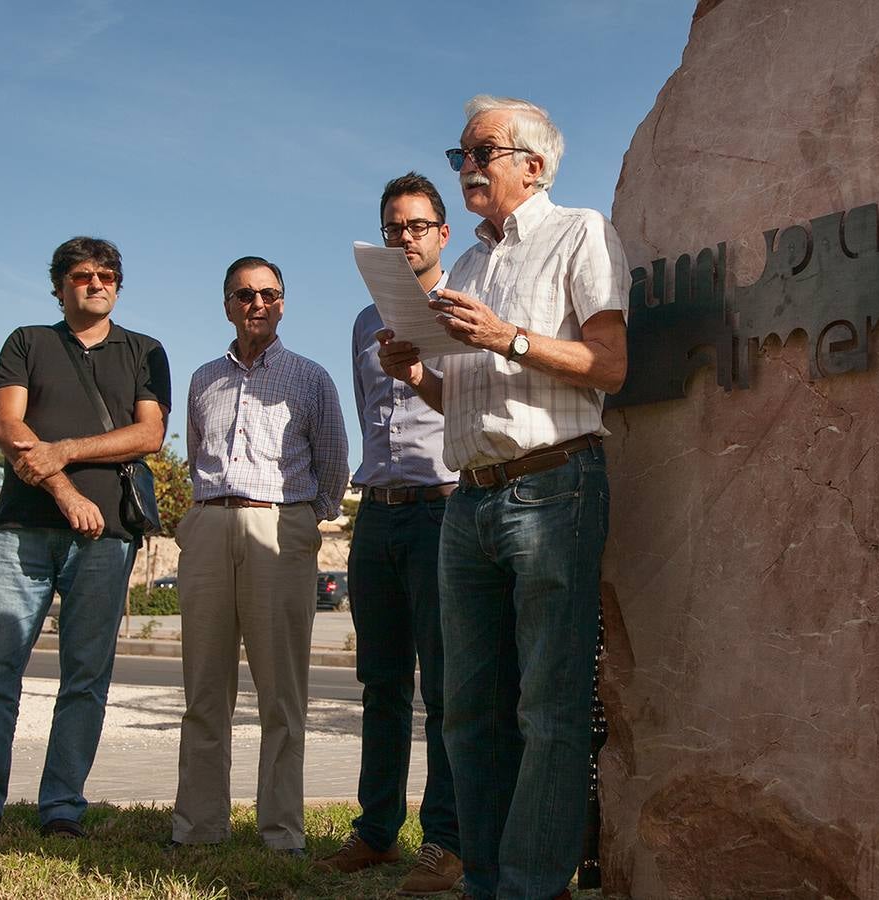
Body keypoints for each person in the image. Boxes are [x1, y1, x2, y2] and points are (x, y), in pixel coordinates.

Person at [378, 95, 629, 899]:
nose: (467, 169)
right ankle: (484, 881)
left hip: (555, 488)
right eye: (460, 156)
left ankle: (531, 885)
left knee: (549, 714)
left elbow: (611, 365)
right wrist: (416, 372)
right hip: (471, 500)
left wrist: (506, 337)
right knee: (465, 715)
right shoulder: (468, 267)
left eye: (480, 152)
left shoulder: (579, 231)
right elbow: (470, 403)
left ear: (534, 163)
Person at [0, 236, 170, 839]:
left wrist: (64, 450)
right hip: (23, 531)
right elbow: (7, 424)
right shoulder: (28, 342)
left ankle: (62, 807)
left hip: (108, 537)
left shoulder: (145, 351)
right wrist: (67, 491)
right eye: (81, 275)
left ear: (119, 285)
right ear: (59, 285)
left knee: (85, 677)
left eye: (107, 275)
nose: (96, 283)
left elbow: (149, 436)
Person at [171, 256, 348, 854]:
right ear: (226, 303)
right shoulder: (202, 379)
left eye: (269, 294)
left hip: (280, 530)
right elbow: (196, 454)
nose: (257, 304)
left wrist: (302, 521)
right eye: (244, 295)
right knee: (203, 691)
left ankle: (281, 833)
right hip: (209, 526)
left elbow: (334, 463)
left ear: (283, 301)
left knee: (281, 695)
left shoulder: (311, 377)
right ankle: (198, 830)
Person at [317, 173, 462, 893]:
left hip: (443, 510)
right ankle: (375, 832)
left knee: (443, 684)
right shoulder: (360, 322)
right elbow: (366, 413)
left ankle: (444, 841)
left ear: (443, 233)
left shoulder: (466, 306)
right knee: (378, 681)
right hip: (377, 513)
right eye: (392, 227)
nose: (403, 238)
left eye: (416, 226)